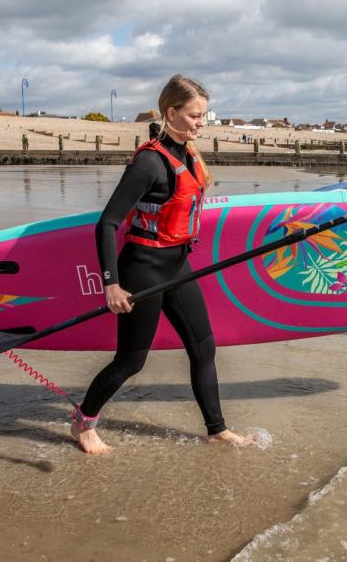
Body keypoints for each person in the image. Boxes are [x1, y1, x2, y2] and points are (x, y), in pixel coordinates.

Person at [71, 74, 252, 454]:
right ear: (172, 112)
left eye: (204, 115)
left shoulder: (188, 155)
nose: (201, 122)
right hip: (142, 270)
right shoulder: (150, 162)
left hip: (177, 267)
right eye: (194, 115)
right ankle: (83, 422)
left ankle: (216, 429)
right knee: (131, 361)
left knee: (204, 347)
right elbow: (107, 223)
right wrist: (112, 284)